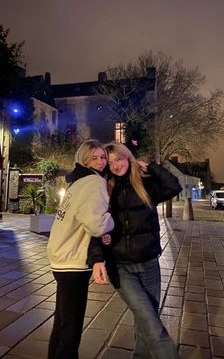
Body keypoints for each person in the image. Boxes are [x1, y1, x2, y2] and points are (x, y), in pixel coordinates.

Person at [89, 142, 182, 359]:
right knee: (150, 320)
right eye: (110, 162)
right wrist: (96, 259)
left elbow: (174, 187)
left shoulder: (145, 185)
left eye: (118, 159)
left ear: (128, 157)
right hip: (121, 267)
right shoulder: (105, 189)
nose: (115, 165)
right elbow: (95, 226)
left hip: (149, 263)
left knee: (145, 321)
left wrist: (150, 166)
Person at [47, 139, 114, 359]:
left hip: (60, 258)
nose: (101, 161)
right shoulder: (94, 182)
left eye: (103, 157)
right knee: (71, 325)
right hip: (73, 260)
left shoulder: (77, 182)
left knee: (62, 320)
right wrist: (112, 222)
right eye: (94, 157)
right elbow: (95, 223)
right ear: (84, 159)